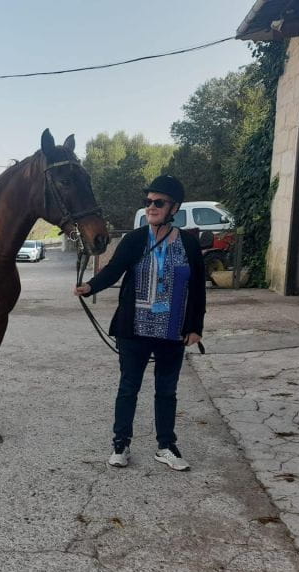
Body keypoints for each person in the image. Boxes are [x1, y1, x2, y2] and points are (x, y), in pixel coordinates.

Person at [73, 175, 205, 471]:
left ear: (174, 208)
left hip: (173, 330)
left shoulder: (188, 244)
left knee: (167, 390)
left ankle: (166, 446)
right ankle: (121, 444)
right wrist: (90, 287)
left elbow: (197, 289)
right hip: (133, 330)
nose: (151, 207)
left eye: (159, 202)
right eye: (148, 202)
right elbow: (114, 270)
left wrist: (195, 327)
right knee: (128, 387)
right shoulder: (134, 240)